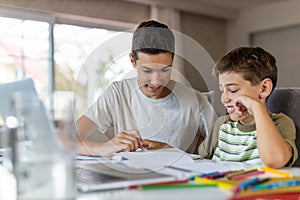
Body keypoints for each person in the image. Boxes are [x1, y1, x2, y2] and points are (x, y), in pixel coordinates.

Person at [76, 20, 217, 157]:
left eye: (164, 70)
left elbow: (226, 152)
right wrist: (104, 148)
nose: (156, 82)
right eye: (147, 70)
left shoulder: (196, 101)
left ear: (172, 61)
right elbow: (65, 140)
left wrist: (170, 150)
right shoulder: (118, 93)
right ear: (133, 61)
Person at [198, 47, 298, 168]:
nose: (224, 99)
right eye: (222, 90)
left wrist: (256, 108)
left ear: (264, 88)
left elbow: (274, 160)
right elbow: (197, 163)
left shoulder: (280, 123)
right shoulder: (222, 125)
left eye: (233, 90)